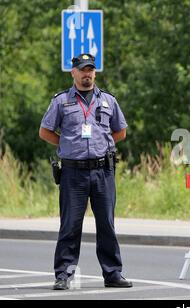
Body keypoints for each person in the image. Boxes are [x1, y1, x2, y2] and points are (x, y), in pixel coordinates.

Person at [39, 53, 132, 290]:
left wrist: (104, 143)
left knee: (107, 225)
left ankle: (112, 273)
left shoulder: (109, 101)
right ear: (73, 73)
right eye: (82, 70)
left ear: (95, 73)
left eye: (90, 70)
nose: (87, 74)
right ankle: (63, 274)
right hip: (73, 173)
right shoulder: (61, 101)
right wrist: (65, 143)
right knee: (70, 225)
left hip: (103, 171)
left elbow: (120, 131)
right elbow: (45, 131)